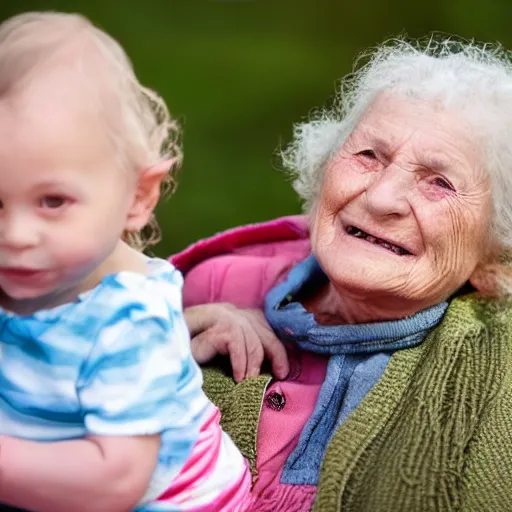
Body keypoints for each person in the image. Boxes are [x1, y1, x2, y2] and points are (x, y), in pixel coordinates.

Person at [173, 37, 512, 511]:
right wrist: (160, 345)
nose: (380, 198)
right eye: (369, 155)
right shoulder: (206, 287)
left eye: (439, 182)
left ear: (494, 256)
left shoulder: (498, 373)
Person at [0, 12, 251, 512]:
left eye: (52, 201)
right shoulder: (27, 276)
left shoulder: (128, 320)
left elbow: (116, 482)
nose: (15, 235)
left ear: (138, 195)